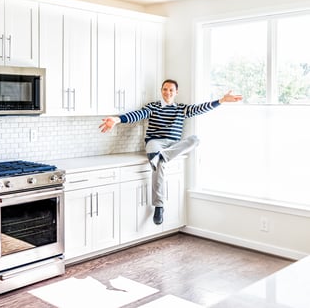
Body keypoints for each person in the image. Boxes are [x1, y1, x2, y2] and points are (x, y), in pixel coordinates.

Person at [99, 79, 242, 225]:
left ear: (176, 92)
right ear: (161, 90)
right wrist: (117, 120)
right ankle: (159, 206)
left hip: (173, 145)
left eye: (171, 90)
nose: (167, 92)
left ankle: (161, 157)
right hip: (155, 142)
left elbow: (201, 108)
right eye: (165, 89)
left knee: (195, 140)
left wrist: (222, 100)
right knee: (159, 163)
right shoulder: (153, 106)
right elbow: (137, 114)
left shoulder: (181, 108)